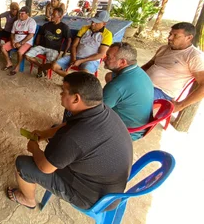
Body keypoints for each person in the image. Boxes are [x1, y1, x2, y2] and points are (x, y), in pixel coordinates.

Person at [8, 72, 132, 210]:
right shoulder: (103, 111)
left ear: (76, 99)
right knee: (57, 132)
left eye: (63, 91)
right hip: (109, 184)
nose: (61, 94)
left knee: (23, 164)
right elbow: (68, 125)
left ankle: (28, 200)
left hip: (93, 198)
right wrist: (44, 134)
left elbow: (45, 167)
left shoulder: (72, 138)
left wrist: (34, 148)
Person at [142, 22, 204, 113]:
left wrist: (181, 105)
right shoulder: (164, 48)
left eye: (176, 35)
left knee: (128, 99)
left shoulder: (194, 56)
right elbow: (148, 65)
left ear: (189, 38)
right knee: (115, 82)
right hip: (143, 82)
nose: (169, 38)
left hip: (161, 92)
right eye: (170, 34)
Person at [103, 42, 154, 140]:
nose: (104, 59)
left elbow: (95, 112)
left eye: (108, 57)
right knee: (109, 76)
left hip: (126, 132)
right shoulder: (137, 71)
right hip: (139, 125)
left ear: (122, 62)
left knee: (75, 108)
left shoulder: (117, 86)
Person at [52, 10, 112, 77]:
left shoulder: (107, 35)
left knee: (84, 74)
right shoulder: (84, 28)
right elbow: (74, 45)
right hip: (76, 56)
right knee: (54, 66)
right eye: (93, 21)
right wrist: (74, 58)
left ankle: (71, 81)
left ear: (104, 24)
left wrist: (81, 61)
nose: (93, 24)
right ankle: (71, 80)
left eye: (96, 23)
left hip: (91, 60)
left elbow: (101, 54)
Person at [25, 7, 72, 78]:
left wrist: (65, 52)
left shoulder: (64, 27)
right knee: (27, 55)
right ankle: (41, 67)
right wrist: (37, 44)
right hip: (42, 46)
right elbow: (39, 34)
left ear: (59, 16)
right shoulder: (46, 25)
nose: (51, 16)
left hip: (54, 49)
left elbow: (69, 40)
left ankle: (40, 69)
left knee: (52, 64)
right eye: (51, 14)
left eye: (53, 15)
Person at [1, 6, 37, 76]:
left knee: (20, 52)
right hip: (16, 41)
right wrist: (12, 41)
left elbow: (30, 35)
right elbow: (12, 33)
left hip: (26, 42)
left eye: (22, 13)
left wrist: (21, 43)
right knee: (3, 48)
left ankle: (17, 67)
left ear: (27, 14)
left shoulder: (31, 22)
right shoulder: (16, 22)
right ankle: (9, 63)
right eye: (20, 13)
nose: (20, 15)